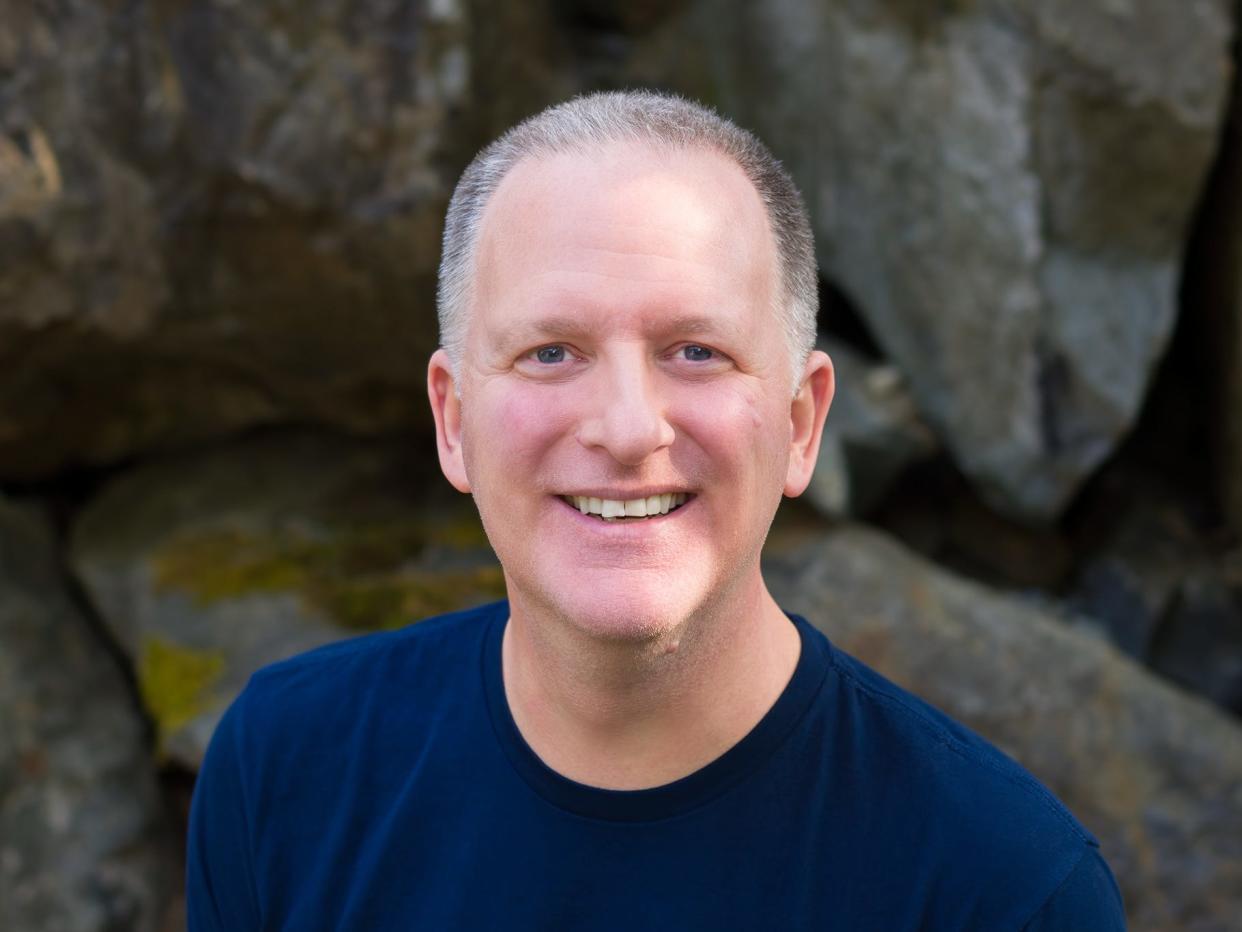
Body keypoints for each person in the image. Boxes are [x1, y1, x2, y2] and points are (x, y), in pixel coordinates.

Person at [186, 90, 1127, 930]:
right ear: (453, 419)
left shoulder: (1002, 890)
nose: (628, 428)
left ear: (801, 424)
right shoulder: (285, 771)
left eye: (696, 351)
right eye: (552, 351)